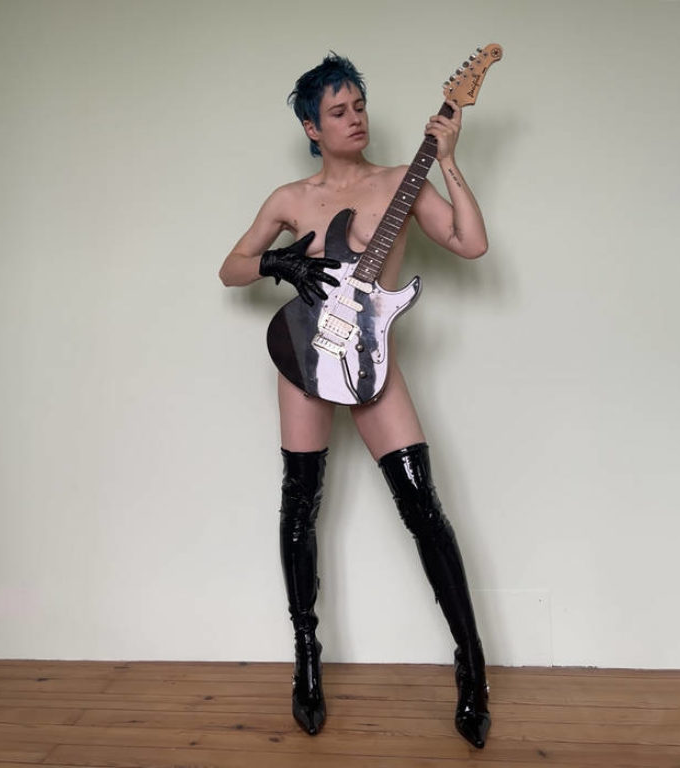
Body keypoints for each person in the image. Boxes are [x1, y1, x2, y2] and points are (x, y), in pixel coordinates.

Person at [219, 53, 491, 749]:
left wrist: (449, 160)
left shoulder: (401, 179)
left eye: (360, 106)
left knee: (422, 503)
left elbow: (470, 243)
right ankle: (306, 658)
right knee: (300, 501)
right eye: (338, 111)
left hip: (371, 356)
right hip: (306, 353)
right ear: (311, 127)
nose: (355, 119)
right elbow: (230, 268)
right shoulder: (289, 198)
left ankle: (471, 665)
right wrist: (277, 261)